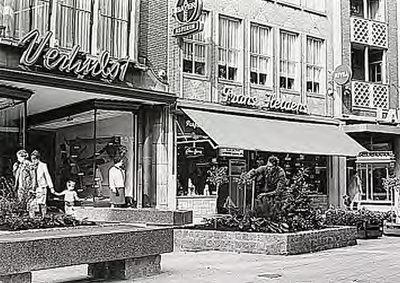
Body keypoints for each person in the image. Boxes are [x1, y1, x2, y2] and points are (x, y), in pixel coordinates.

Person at [31, 150, 54, 218]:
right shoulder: (31, 166)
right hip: (34, 187)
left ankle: (43, 217)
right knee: (33, 203)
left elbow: (47, 176)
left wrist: (51, 187)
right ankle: (33, 218)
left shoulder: (43, 165)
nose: (33, 161)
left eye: (35, 159)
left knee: (42, 203)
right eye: (32, 159)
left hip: (42, 187)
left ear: (38, 159)